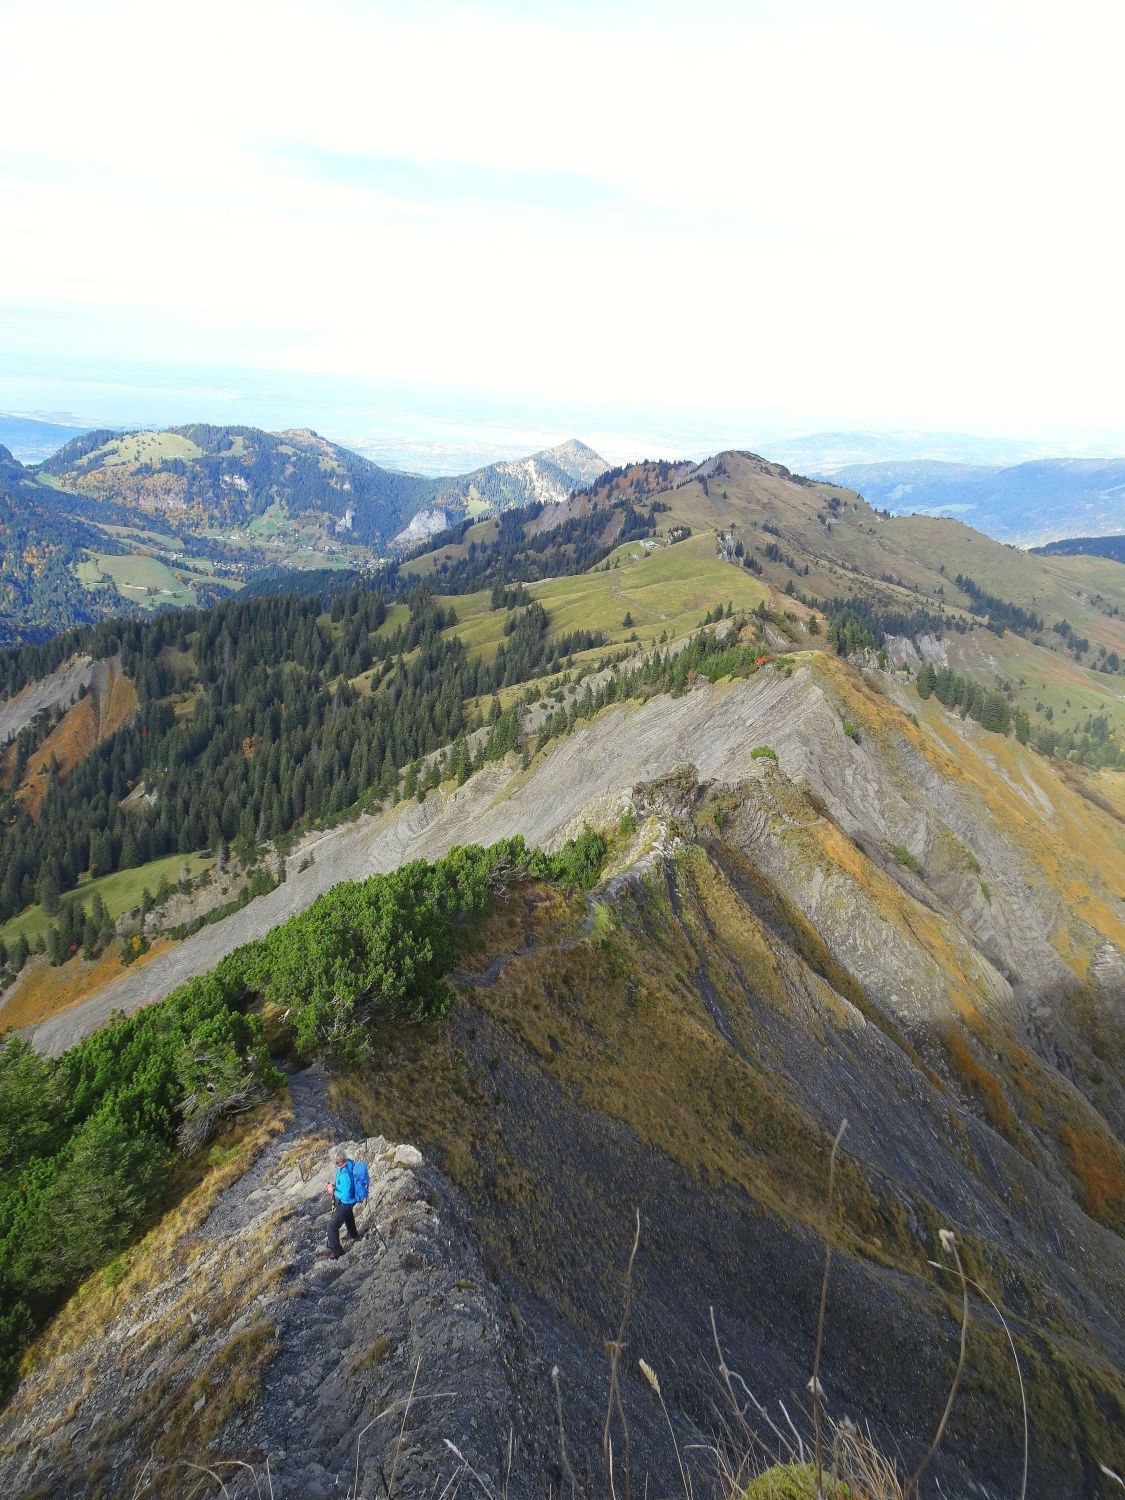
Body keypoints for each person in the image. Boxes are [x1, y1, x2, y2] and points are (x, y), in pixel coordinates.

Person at [325, 1151, 362, 1259]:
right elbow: (346, 1185)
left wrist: (333, 1191)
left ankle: (338, 1252)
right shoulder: (348, 1163)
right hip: (352, 1199)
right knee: (347, 1214)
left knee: (331, 1227)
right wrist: (336, 1185)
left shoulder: (344, 1174)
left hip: (347, 1201)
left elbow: (345, 1195)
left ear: (336, 1161)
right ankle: (352, 1234)